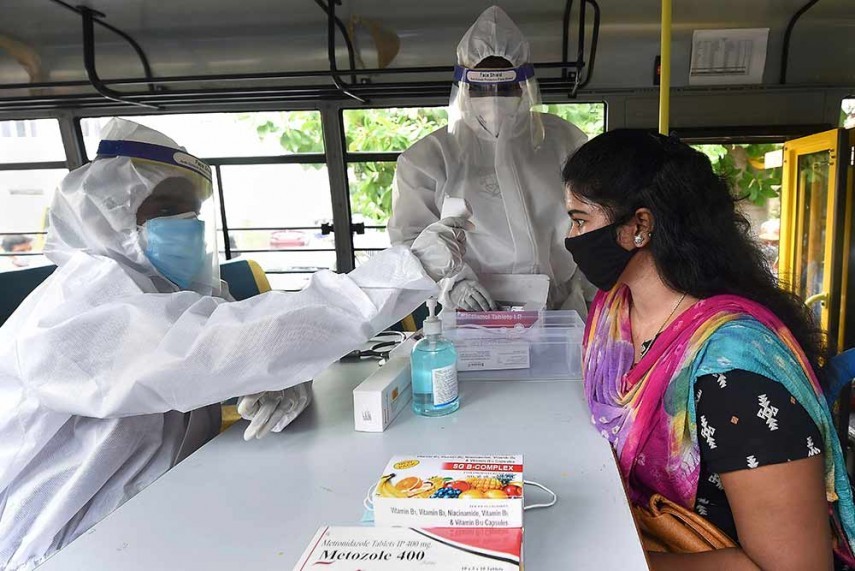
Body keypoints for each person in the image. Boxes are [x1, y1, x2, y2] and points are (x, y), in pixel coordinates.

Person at [0, 118, 468, 570]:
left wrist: (282, 378)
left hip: (163, 510)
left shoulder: (163, 292)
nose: (187, 225)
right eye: (165, 211)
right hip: (66, 543)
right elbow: (227, 345)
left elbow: (247, 347)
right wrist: (407, 270)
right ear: (106, 213)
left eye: (192, 213)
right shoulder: (76, 310)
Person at [562, 129, 855, 569]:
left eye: (581, 220)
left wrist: (603, 562)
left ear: (638, 226)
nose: (571, 236)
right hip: (625, 529)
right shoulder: (614, 313)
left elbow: (796, 567)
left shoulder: (732, 372)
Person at [388, 6, 593, 316]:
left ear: (525, 85)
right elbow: (409, 243)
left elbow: (595, 221)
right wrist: (454, 285)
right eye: (482, 88)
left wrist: (595, 294)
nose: (494, 97)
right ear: (464, 86)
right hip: (471, 311)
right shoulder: (427, 159)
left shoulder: (565, 142)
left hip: (559, 308)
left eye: (506, 87)